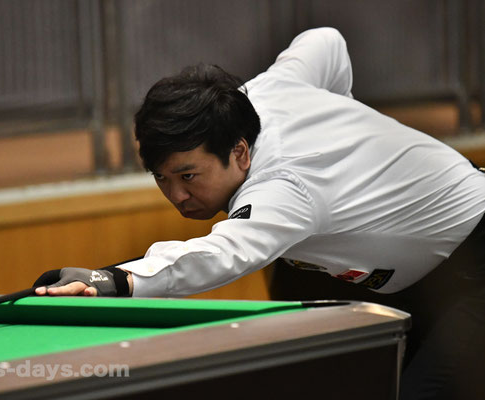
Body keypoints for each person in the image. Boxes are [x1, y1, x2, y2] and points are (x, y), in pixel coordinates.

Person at [34, 28, 485, 399]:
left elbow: (222, 254)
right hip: (426, 272)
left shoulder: (286, 188)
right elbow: (326, 41)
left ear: (240, 152)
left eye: (188, 176)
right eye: (161, 178)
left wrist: (114, 279)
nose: (176, 195)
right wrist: (343, 126)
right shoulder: (263, 92)